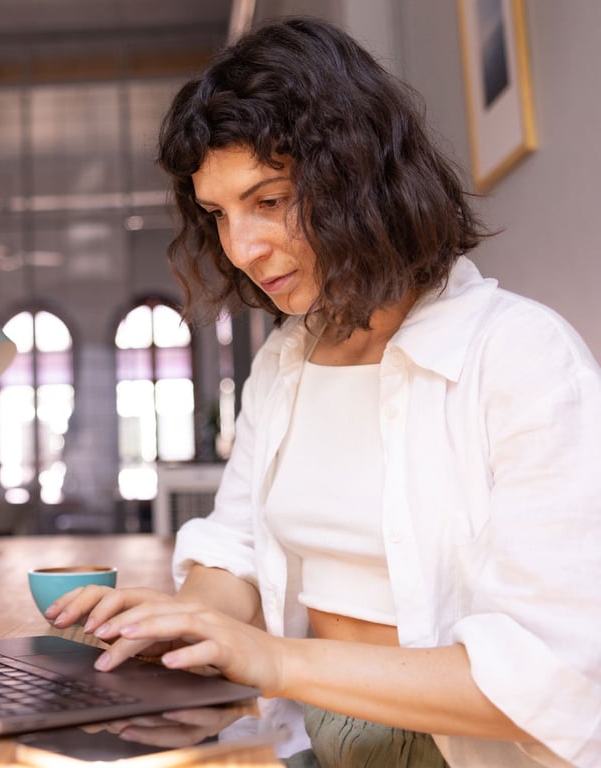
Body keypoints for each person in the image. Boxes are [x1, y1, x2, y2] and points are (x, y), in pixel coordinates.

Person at [46, 16, 601, 768]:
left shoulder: (521, 358)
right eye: (219, 214)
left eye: (268, 200)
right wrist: (183, 637)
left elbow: (552, 677)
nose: (241, 249)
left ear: (358, 175)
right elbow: (235, 549)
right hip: (312, 742)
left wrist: (265, 658)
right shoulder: (287, 363)